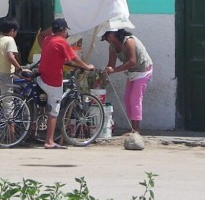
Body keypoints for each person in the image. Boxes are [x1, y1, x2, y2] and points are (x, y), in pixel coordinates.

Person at [37, 17, 93, 149]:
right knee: (54, 110)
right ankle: (49, 141)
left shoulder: (48, 39)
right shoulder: (62, 42)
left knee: (43, 104)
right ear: (64, 30)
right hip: (52, 81)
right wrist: (87, 66)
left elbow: (42, 37)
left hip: (42, 78)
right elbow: (75, 58)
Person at [102, 28, 154, 133]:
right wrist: (103, 75)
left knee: (134, 100)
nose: (105, 39)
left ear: (113, 34)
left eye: (106, 36)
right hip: (132, 72)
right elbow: (111, 64)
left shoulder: (129, 41)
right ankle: (132, 128)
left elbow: (132, 61)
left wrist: (114, 70)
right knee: (127, 99)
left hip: (143, 70)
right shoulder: (112, 46)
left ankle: (135, 130)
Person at [0, 17, 21, 95]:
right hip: (5, 74)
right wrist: (19, 68)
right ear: (12, 30)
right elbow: (10, 56)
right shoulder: (10, 40)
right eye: (16, 31)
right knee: (8, 98)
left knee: (4, 94)